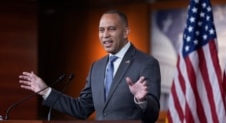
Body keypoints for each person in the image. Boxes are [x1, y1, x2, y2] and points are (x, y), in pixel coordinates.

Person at [19, 9, 161, 123]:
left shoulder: (146, 63)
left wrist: (141, 100)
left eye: (111, 29)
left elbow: (152, 115)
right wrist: (46, 91)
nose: (105, 35)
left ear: (126, 32)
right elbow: (81, 109)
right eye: (101, 30)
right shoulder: (97, 67)